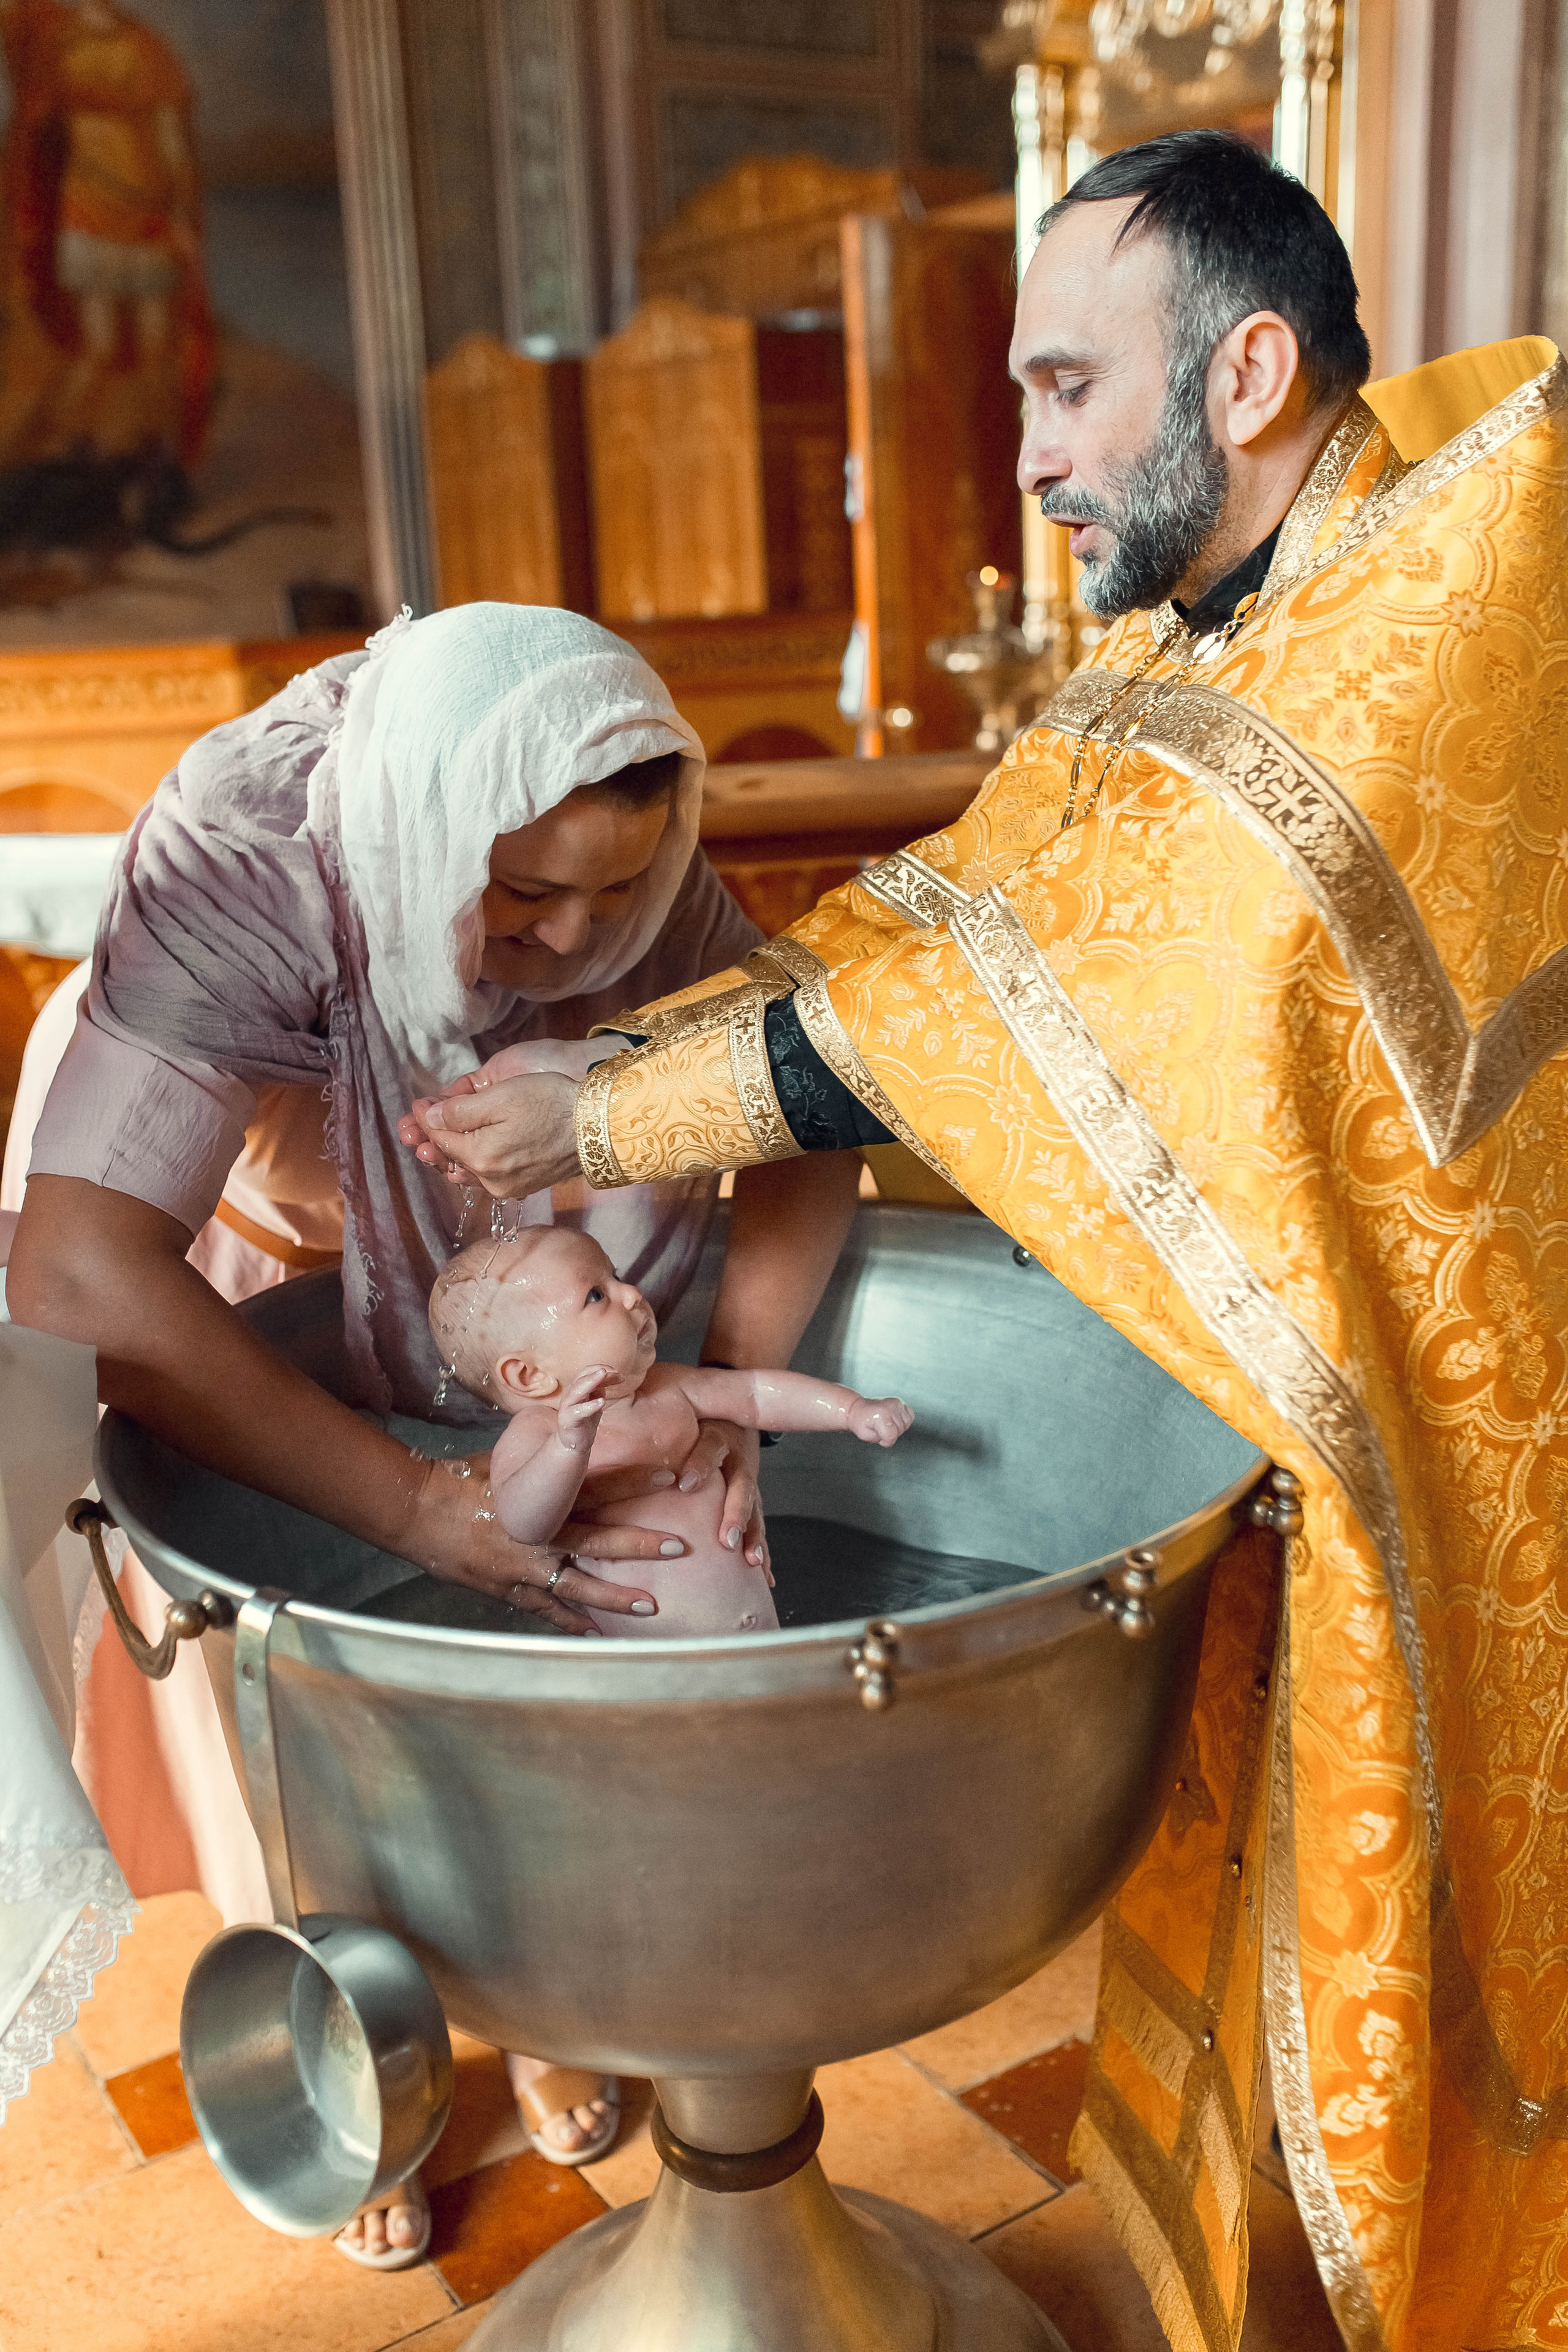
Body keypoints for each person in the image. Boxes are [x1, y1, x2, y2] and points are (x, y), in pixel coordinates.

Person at [399, 137, 1568, 2352]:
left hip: (1468, 1418)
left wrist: (621, 1107)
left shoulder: (1415, 622)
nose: (1015, 453)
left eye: (1056, 389)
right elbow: (969, 919)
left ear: (1241, 374)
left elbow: (1151, 965)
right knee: (1260, 1898)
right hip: (1317, 1370)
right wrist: (630, 1046)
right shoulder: (1202, 626)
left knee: (1416, 1925)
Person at [6, 600, 862, 2258]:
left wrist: (741, 1396)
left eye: (615, 894)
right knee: (307, 1692)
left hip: (520, 1271)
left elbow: (808, 1088)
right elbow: (89, 1272)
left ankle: (543, 1993)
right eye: (523, 892)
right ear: (424, 834)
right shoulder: (246, 855)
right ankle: (353, 2059)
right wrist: (410, 1507)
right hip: (240, 1240)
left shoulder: (628, 849)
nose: (570, 941)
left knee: (537, 1619)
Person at [430, 1226, 911, 1636]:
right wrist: (568, 1449)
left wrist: (851, 1410)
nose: (632, 1293)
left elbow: (756, 1394)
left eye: (615, 1276)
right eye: (596, 1295)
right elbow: (524, 1524)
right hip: (650, 1668)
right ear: (529, 1375)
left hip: (760, 1641)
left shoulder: (671, 1386)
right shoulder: (537, 1435)